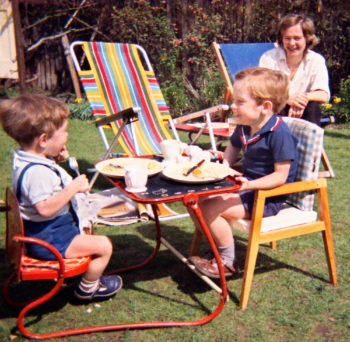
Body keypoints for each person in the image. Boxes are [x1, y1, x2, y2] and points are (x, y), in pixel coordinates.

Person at [0, 94, 122, 301]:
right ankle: (88, 289)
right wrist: (73, 188)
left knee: (90, 232)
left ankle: (86, 281)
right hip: (52, 240)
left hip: (46, 233)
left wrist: (53, 157)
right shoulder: (37, 173)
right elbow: (45, 209)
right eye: (64, 132)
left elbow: (45, 184)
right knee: (104, 246)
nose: (67, 136)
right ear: (44, 140)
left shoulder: (26, 159)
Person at [189, 67, 299, 278]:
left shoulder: (279, 133)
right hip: (245, 188)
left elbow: (280, 177)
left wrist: (249, 185)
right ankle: (216, 248)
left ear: (264, 107)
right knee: (195, 201)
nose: (232, 106)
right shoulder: (245, 125)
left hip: (265, 198)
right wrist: (225, 167)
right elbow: (232, 148)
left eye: (240, 101)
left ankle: (228, 262)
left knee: (209, 208)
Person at [259, 13, 330, 126]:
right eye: (287, 38)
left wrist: (301, 99)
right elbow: (261, 90)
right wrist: (287, 99)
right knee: (275, 106)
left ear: (307, 39)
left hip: (303, 112)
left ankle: (309, 143)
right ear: (281, 39)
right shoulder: (269, 58)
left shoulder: (316, 60)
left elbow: (323, 94)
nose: (292, 43)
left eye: (297, 38)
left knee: (313, 107)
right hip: (275, 112)